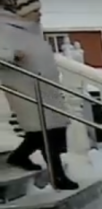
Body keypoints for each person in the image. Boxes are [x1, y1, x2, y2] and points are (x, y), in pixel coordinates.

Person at [0, 4, 79, 190]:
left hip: (45, 89)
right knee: (45, 131)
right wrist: (12, 55)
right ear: (23, 13)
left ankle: (19, 156)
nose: (40, 14)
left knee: (47, 130)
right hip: (26, 88)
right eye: (35, 11)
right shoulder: (5, 28)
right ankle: (57, 175)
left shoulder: (32, 31)